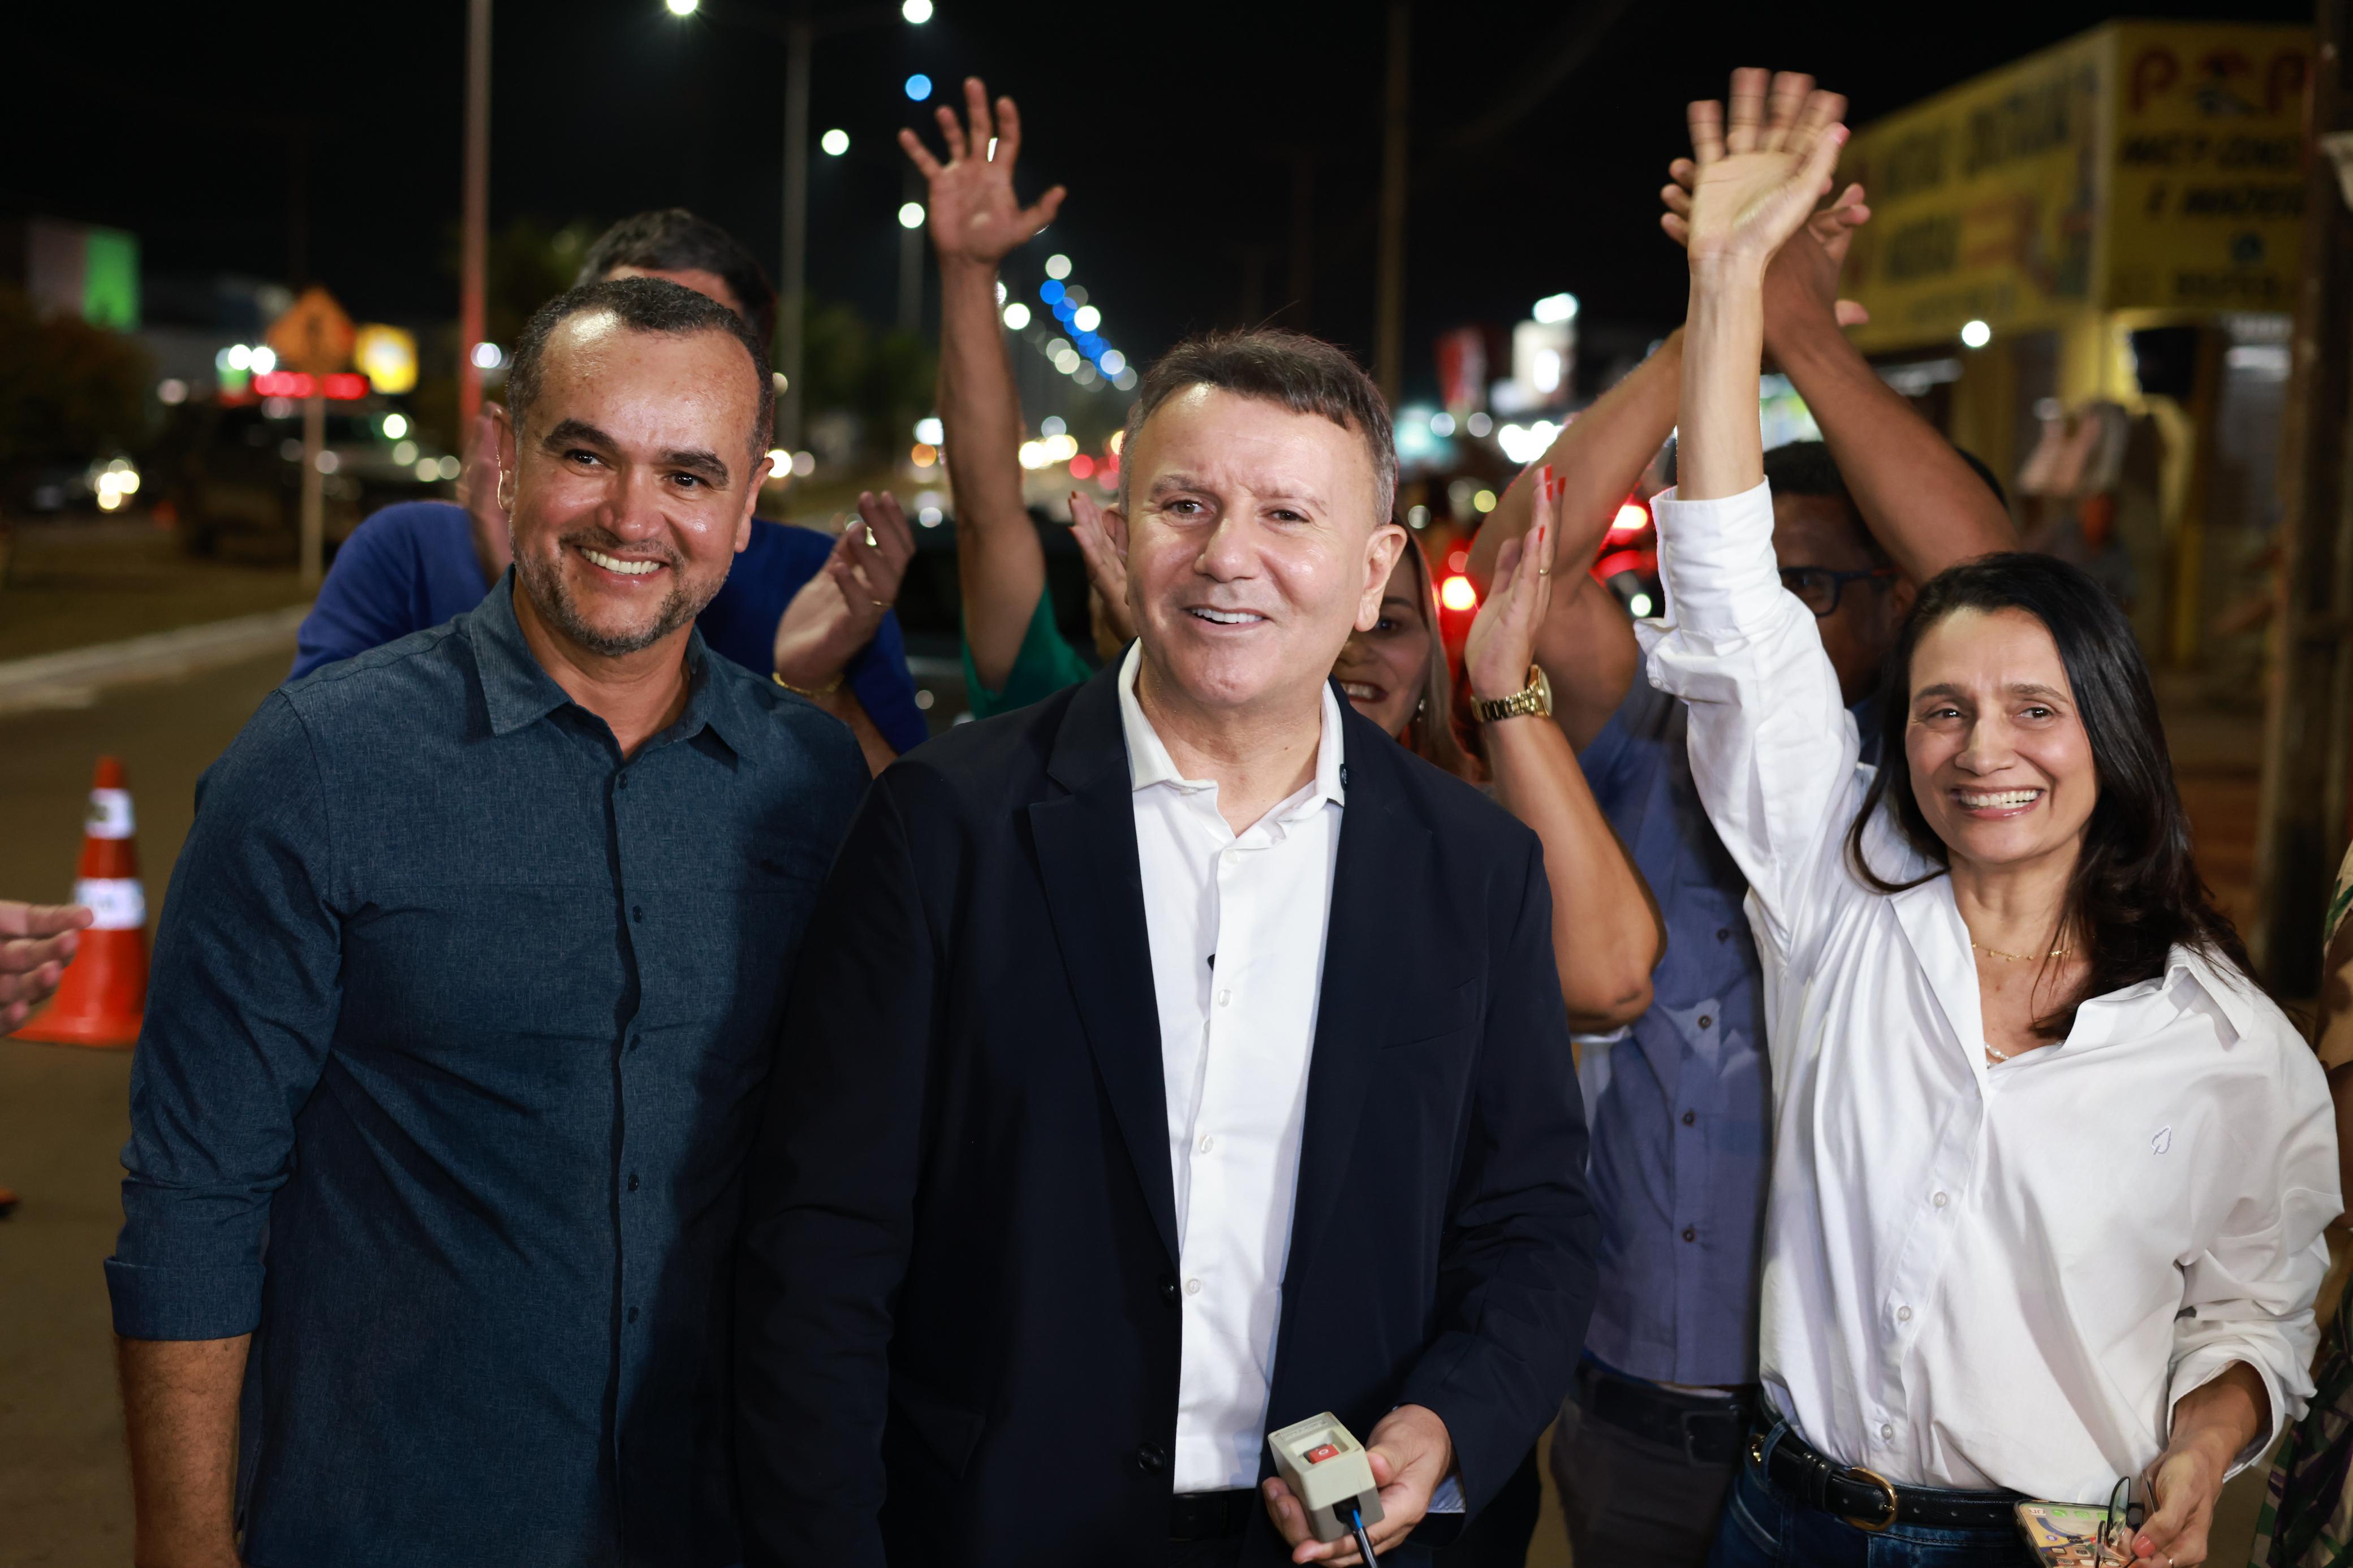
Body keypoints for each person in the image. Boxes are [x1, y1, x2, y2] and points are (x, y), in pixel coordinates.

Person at [731, 324, 1599, 1567]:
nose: (1227, 557)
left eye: (1287, 515)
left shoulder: (1474, 867)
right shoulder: (948, 823)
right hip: (999, 1529)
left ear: (1372, 572)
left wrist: (1447, 1423)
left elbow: (1533, 1223)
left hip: (1350, 1544)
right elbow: (821, 1241)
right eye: (1185, 504)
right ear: (1120, 531)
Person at [1650, 68, 2333, 1568]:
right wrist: (1725, 291)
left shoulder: (2228, 1042)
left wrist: (2206, 1441)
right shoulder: (1834, 897)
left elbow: (2254, 1307)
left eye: (2037, 709)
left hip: (2052, 1545)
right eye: (1942, 707)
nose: (1984, 750)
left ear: (2114, 734)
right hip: (1786, 1520)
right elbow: (1724, 603)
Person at [108, 277, 869, 1567]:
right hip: (385, 1524)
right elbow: (192, 1196)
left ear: (746, 511)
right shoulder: (316, 770)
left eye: (689, 475)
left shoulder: (812, 786)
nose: (634, 516)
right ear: (509, 464)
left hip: (713, 1525)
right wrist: (184, 1547)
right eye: (588, 455)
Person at [1460, 86, 2016, 1568]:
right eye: (1757, 582)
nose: (1771, 616)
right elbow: (1529, 550)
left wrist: (1809, 335)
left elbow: (2017, 594)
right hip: (1629, 1407)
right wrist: (1718, 306)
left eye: (1824, 583)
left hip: (1854, 1452)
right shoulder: (1647, 720)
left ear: (1907, 606)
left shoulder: (1969, 802)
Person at [294, 207, 925, 770]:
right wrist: (528, 570)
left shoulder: (823, 582)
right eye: (627, 318)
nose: (630, 520)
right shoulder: (410, 552)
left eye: (696, 331)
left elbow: (894, 849)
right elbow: (317, 775)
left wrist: (815, 687)